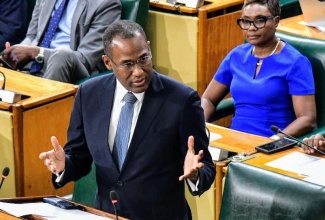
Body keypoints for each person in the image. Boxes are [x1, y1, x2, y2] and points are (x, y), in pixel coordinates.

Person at [39, 20, 216, 219]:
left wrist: (195, 175)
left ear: (148, 48)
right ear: (108, 62)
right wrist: (64, 166)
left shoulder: (182, 100)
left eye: (143, 59)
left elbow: (206, 168)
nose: (139, 71)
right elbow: (79, 157)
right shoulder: (88, 94)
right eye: (128, 64)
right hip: (107, 214)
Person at [201, 0, 316, 138]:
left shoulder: (296, 63)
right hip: (232, 141)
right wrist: (199, 125)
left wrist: (274, 141)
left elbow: (306, 119)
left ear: (276, 21)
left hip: (270, 145)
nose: (251, 28)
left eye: (260, 20)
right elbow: (208, 99)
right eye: (246, 21)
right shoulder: (236, 55)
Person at [0, 0, 121, 83]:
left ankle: (40, 114)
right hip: (35, 63)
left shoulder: (107, 4)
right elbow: (32, 36)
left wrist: (36, 52)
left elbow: (86, 59)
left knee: (62, 54)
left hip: (73, 66)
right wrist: (16, 50)